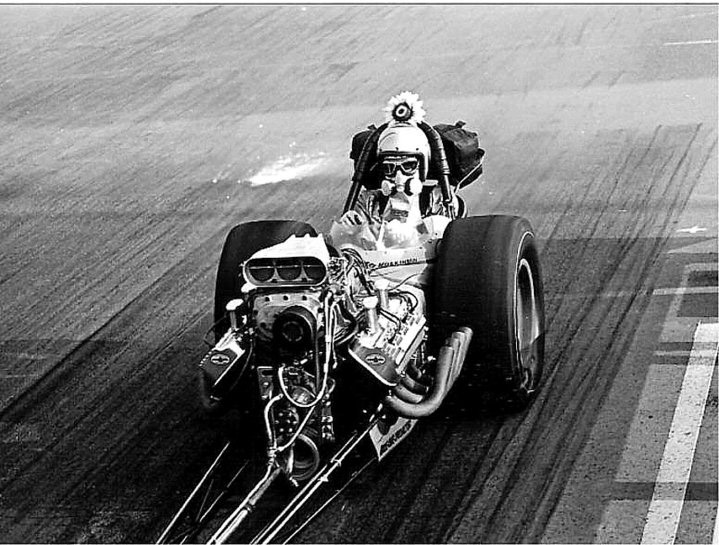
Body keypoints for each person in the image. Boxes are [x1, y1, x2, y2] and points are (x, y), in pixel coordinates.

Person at [329, 92, 450, 252]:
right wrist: (350, 230)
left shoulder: (437, 199)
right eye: (389, 168)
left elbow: (454, 242)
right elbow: (347, 248)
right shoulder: (369, 201)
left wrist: (416, 233)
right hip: (374, 265)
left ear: (423, 166)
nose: (398, 177)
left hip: (426, 264)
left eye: (408, 166)